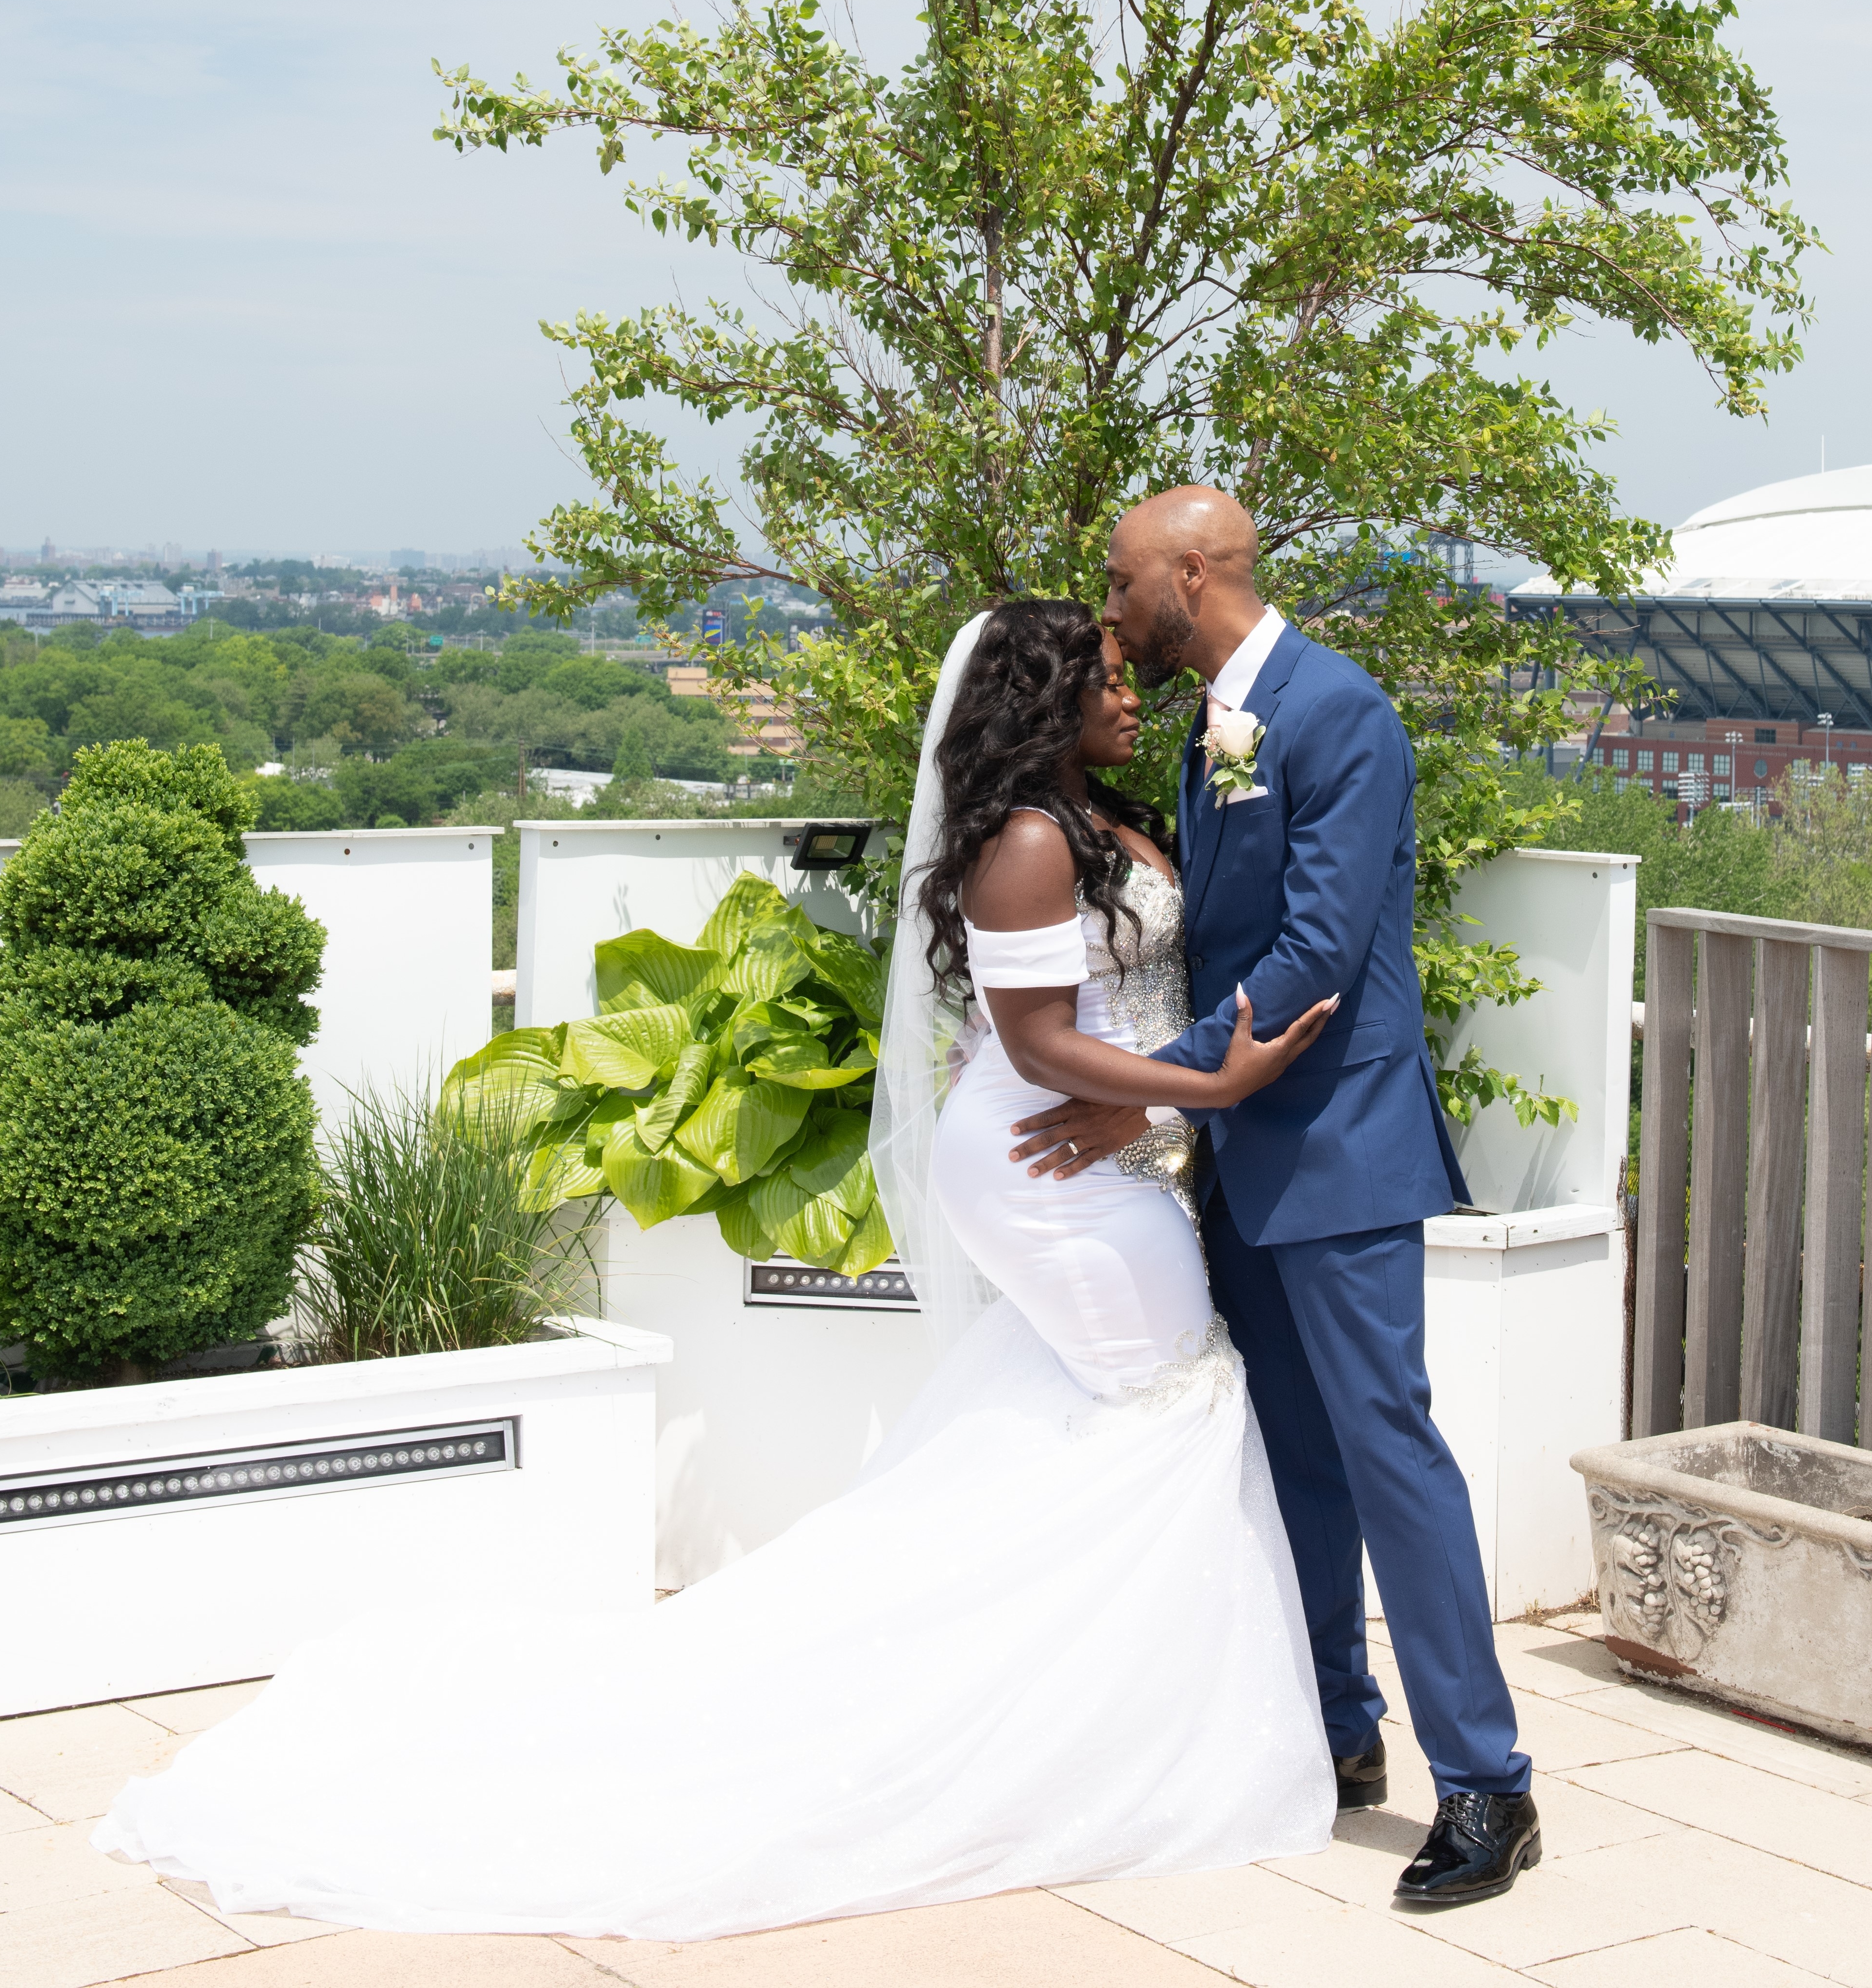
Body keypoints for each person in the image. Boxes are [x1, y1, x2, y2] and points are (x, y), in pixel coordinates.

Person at [93, 600, 1340, 1939]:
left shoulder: (1081, 815)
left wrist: (1164, 1100)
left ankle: (1083, 1701)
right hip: (1055, 1161)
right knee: (1162, 1401)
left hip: (1097, 1148)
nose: (1130, 693)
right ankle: (1069, 1723)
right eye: (1102, 680)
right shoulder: (1033, 841)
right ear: (1038, 699)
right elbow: (1036, 1043)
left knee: (1121, 1415)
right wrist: (1208, 1083)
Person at [1007, 487, 1542, 1908]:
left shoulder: (1338, 710)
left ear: (1188, 575)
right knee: (1289, 1457)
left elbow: (1315, 949)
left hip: (1339, 1146)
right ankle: (1336, 1729)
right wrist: (1190, 1102)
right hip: (1240, 1155)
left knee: (1387, 1453)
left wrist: (1147, 1087)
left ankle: (1487, 1781)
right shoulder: (1209, 725)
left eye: (1123, 583)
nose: (1112, 608)